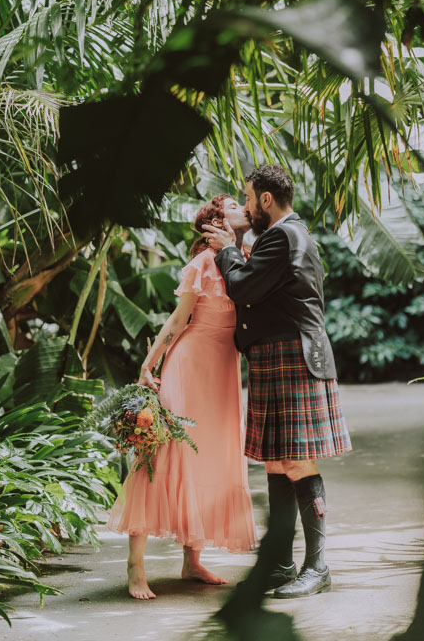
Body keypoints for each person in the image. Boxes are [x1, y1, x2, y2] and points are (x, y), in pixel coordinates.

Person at [203, 164, 351, 599]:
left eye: (249, 198)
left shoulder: (285, 235)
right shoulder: (281, 236)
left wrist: (229, 248)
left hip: (292, 356)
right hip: (276, 356)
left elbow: (244, 287)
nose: (246, 207)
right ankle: (282, 564)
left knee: (297, 461)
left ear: (266, 199)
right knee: (274, 461)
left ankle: (317, 567)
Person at [106, 195, 257, 600]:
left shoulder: (245, 257)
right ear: (215, 223)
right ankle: (135, 566)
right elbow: (177, 320)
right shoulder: (204, 263)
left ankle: (193, 558)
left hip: (223, 373)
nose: (241, 207)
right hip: (189, 368)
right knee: (162, 455)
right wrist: (147, 365)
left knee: (209, 456)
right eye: (231, 205)